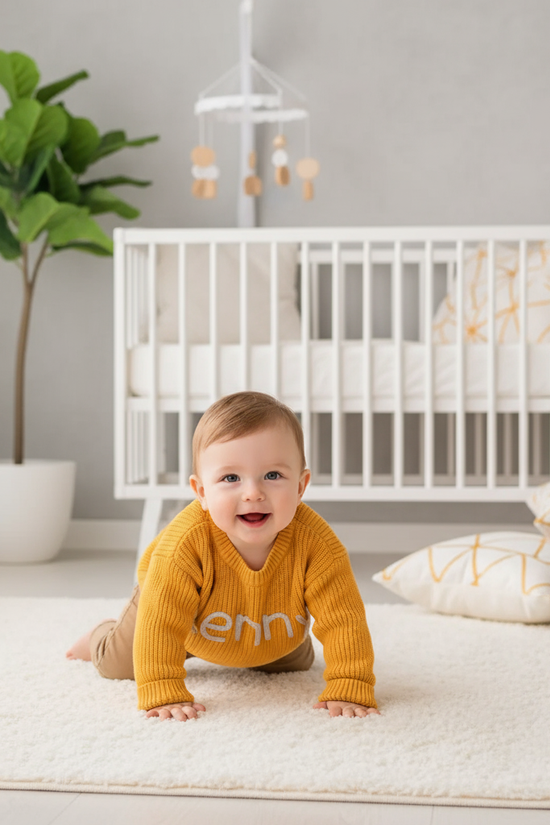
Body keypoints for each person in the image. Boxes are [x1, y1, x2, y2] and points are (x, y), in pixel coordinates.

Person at [67, 391, 379, 721]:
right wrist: (163, 689)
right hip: (183, 624)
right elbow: (162, 623)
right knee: (120, 664)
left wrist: (350, 682)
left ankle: (277, 649)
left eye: (273, 476)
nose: (253, 493)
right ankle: (102, 634)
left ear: (301, 486)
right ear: (201, 492)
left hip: (269, 629)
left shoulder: (319, 546)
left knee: (294, 661)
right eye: (231, 478)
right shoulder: (183, 547)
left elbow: (343, 618)